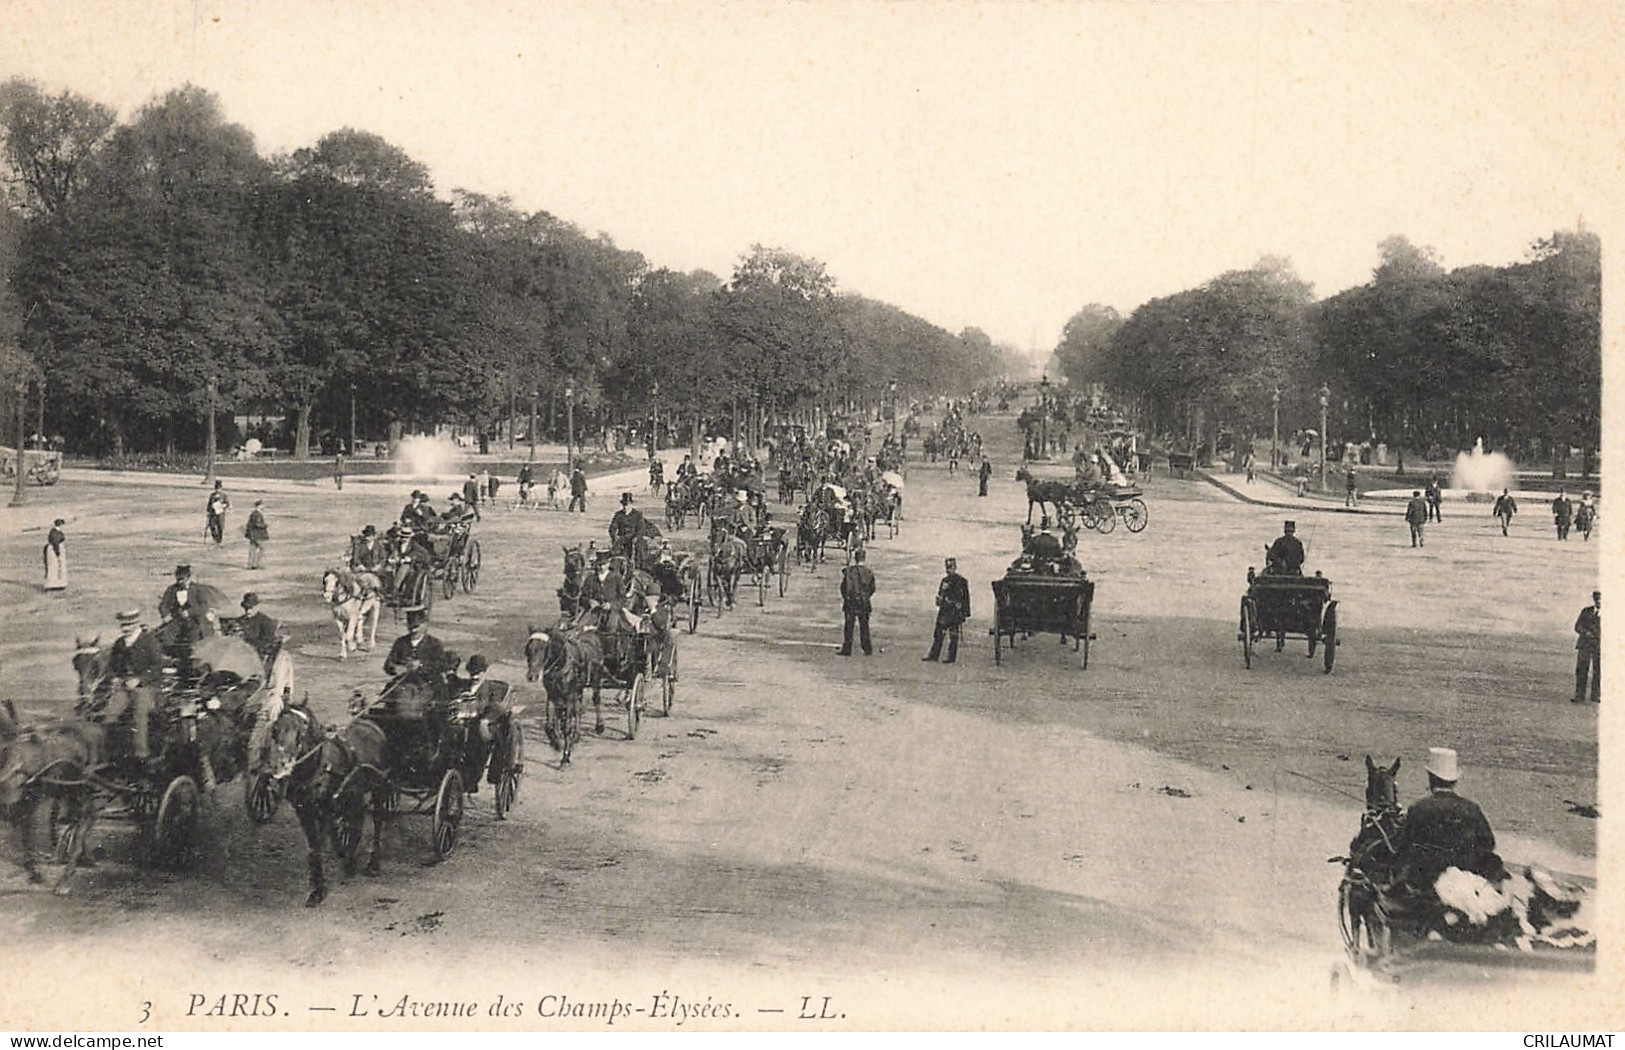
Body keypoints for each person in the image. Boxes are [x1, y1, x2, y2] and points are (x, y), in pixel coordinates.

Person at [1395, 747, 1505, 898]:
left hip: (1425, 882)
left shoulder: (1419, 808)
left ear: (1431, 778)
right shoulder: (1471, 808)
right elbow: (1488, 843)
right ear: (1454, 781)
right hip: (1466, 881)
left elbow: (1403, 848)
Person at [103, 608, 166, 764]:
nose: (125, 629)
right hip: (125, 686)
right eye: (123, 625)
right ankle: (110, 751)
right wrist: (115, 678)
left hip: (148, 687)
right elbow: (111, 666)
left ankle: (141, 754)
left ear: (136, 624)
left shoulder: (149, 641)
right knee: (110, 713)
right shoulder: (119, 643)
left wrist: (139, 680)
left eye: (128, 625)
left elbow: (158, 667)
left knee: (140, 713)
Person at [454, 654, 513, 794]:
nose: (475, 677)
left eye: (478, 673)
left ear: (484, 673)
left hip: (482, 726)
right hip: (462, 726)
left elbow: (496, 707)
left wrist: (485, 720)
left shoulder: (493, 689)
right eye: (472, 673)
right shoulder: (463, 687)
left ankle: (471, 780)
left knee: (479, 745)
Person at [383, 606, 454, 684]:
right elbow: (388, 665)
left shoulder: (434, 643)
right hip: (404, 683)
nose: (413, 630)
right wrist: (395, 668)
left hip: (428, 684)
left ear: (425, 625)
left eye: (416, 626)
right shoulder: (401, 642)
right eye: (411, 627)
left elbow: (443, 666)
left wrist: (421, 665)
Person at [923, 558, 970, 664]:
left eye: (952, 568)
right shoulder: (944, 581)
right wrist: (939, 600)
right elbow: (940, 595)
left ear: (955, 568)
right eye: (948, 568)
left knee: (953, 635)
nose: (950, 570)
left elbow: (966, 598)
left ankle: (951, 657)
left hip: (955, 611)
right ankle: (934, 655)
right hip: (944, 610)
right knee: (938, 633)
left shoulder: (962, 581)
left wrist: (965, 613)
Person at [837, 547, 876, 656]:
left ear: (855, 558)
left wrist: (846, 598)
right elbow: (872, 588)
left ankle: (847, 648)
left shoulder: (849, 571)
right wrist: (867, 596)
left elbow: (843, 587)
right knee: (864, 626)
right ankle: (867, 648)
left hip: (851, 601)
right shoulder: (869, 572)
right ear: (864, 559)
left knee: (849, 626)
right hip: (864, 601)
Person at [158, 564, 209, 648]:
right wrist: (165, 615)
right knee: (166, 637)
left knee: (194, 639)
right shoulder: (171, 589)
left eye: (182, 579)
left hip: (194, 621)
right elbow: (163, 605)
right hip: (176, 620)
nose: (179, 582)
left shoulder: (198, 589)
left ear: (188, 577)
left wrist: (190, 612)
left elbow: (204, 606)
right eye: (178, 579)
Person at [233, 592, 280, 662]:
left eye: (251, 608)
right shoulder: (240, 621)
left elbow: (268, 644)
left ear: (257, 607)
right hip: (238, 653)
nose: (248, 611)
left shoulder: (265, 622)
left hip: (256, 656)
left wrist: (246, 640)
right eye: (246, 608)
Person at [1574, 590, 1600, 704]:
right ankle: (1579, 696)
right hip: (1584, 644)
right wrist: (1586, 633)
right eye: (1597, 599)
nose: (1599, 601)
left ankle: (1596, 696)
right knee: (1581, 670)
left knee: (1598, 671)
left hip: (1600, 646)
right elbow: (1577, 626)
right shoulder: (1586, 611)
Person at [43, 517, 67, 592]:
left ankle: (56, 584)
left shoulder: (54, 531)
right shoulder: (55, 532)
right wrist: (57, 552)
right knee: (55, 566)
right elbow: (55, 542)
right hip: (54, 550)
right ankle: (54, 584)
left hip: (54, 549)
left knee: (55, 567)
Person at [246, 499, 270, 569]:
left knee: (252, 549)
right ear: (259, 506)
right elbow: (258, 524)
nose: (264, 506)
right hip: (257, 535)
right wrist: (265, 525)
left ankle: (250, 565)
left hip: (252, 535)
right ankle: (257, 564)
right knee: (262, 548)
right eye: (262, 505)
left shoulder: (253, 513)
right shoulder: (258, 514)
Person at [205, 481, 231, 545]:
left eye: (219, 489)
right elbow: (209, 504)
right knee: (212, 526)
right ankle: (215, 539)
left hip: (220, 514)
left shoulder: (224, 495)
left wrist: (223, 506)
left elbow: (227, 503)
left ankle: (219, 540)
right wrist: (208, 512)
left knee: (220, 527)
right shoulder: (212, 495)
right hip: (213, 514)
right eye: (216, 489)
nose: (217, 490)